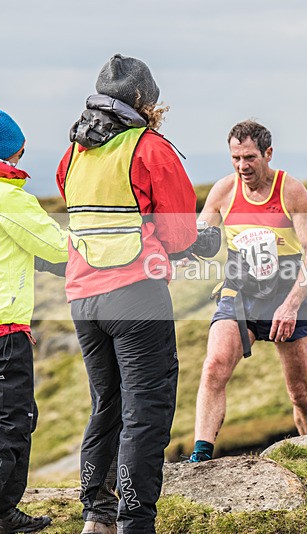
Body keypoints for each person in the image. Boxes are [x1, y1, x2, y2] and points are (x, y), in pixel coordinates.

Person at [57, 55, 203, 533]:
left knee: (107, 404)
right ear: (145, 103)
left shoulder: (73, 152)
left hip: (82, 297)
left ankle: (95, 516)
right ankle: (134, 521)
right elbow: (180, 236)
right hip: (136, 294)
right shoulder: (149, 148)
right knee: (146, 410)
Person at [188, 120, 307, 463]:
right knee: (214, 366)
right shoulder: (224, 190)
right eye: (235, 158)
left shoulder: (290, 190)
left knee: (299, 392)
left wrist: (292, 304)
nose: (242, 166)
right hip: (239, 292)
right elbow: (201, 236)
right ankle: (201, 456)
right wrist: (182, 248)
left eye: (249, 157)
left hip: (285, 293)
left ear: (268, 153)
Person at [0, 101, 63, 534]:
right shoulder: (4, 195)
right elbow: (60, 248)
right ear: (5, 152)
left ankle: (2, 511)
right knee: (8, 423)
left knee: (18, 416)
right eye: (21, 152)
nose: (21, 160)